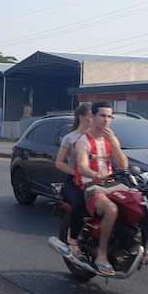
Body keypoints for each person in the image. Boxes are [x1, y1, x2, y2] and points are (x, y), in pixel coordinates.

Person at [74, 102, 129, 276]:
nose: (106, 120)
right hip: (92, 186)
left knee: (140, 203)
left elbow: (123, 164)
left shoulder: (111, 139)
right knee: (111, 210)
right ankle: (102, 255)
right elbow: (82, 167)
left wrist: (113, 143)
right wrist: (96, 174)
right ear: (94, 117)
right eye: (102, 116)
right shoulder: (82, 142)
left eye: (109, 116)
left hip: (111, 183)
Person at [54, 103, 92, 258]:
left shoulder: (98, 137)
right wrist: (76, 173)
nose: (95, 119)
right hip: (73, 181)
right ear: (81, 117)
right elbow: (59, 162)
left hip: (94, 179)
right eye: (92, 116)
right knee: (80, 203)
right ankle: (73, 241)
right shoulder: (70, 138)